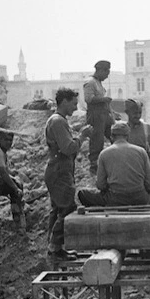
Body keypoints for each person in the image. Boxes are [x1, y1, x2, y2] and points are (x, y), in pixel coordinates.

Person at [44, 87, 91, 259]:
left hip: (60, 170)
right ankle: (54, 248)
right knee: (67, 208)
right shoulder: (58, 121)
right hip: (60, 171)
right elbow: (68, 148)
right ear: (64, 102)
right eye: (73, 103)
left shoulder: (58, 120)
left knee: (57, 210)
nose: (75, 108)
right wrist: (83, 136)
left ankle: (54, 248)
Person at [78, 122, 150, 207]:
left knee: (83, 193)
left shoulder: (104, 154)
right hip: (140, 198)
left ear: (112, 137)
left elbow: (100, 185)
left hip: (116, 199)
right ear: (128, 136)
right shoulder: (141, 151)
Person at [124, 98, 150, 203]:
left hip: (149, 172)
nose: (137, 116)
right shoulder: (122, 130)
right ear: (127, 113)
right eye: (134, 113)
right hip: (130, 173)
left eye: (139, 113)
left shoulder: (148, 129)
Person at [83, 60, 113, 174]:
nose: (106, 76)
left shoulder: (98, 83)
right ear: (100, 70)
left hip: (104, 115)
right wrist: (104, 99)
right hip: (95, 116)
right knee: (97, 140)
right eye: (106, 73)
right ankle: (94, 166)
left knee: (113, 134)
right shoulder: (90, 82)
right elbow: (88, 99)